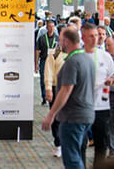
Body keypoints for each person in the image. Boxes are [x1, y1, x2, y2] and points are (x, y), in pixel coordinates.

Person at [41, 28, 96, 169]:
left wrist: (51, 114)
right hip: (86, 114)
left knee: (71, 158)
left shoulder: (72, 62)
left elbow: (66, 90)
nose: (59, 43)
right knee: (77, 154)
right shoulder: (88, 59)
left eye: (60, 40)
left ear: (66, 41)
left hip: (73, 117)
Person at [82, 23, 114, 165]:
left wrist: (112, 80)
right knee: (81, 142)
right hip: (82, 106)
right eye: (91, 36)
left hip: (101, 106)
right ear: (84, 37)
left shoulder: (105, 56)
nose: (95, 39)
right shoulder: (77, 56)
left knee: (101, 143)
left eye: (96, 36)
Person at [44, 26, 68, 158]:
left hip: (71, 89)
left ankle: (67, 143)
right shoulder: (54, 53)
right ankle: (58, 144)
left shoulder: (76, 53)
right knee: (56, 118)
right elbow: (48, 71)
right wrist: (48, 89)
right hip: (56, 88)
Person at [37, 18, 58, 106]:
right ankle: (44, 97)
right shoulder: (41, 38)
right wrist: (36, 64)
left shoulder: (57, 38)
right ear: (47, 28)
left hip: (54, 61)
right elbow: (37, 51)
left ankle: (52, 96)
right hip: (44, 60)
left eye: (53, 26)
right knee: (43, 79)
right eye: (49, 27)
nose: (51, 28)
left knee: (53, 79)